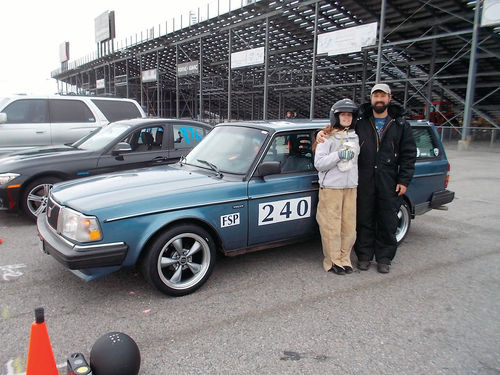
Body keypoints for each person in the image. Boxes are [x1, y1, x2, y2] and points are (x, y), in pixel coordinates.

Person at [316, 84, 416, 273]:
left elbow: (409, 154)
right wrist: (321, 134)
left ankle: (384, 258)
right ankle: (364, 256)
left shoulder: (400, 124)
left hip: (389, 180)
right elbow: (336, 131)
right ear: (371, 99)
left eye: (383, 96)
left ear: (389, 98)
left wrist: (404, 180)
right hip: (363, 180)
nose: (379, 99)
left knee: (388, 220)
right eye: (376, 96)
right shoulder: (361, 122)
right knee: (364, 220)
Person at [314, 99, 360, 275]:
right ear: (336, 116)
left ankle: (344, 259)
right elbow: (319, 163)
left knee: (348, 226)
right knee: (331, 226)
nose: (347, 118)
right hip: (332, 187)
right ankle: (332, 261)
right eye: (343, 115)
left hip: (350, 187)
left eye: (349, 115)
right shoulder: (326, 136)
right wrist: (338, 155)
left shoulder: (355, 136)